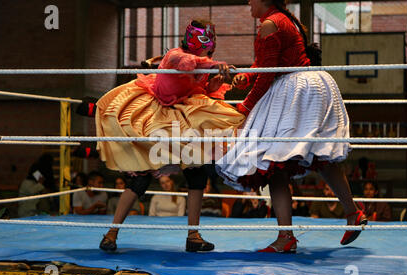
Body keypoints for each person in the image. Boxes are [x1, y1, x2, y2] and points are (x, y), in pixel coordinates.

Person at [216, 0, 366, 253]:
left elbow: (268, 73)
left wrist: (246, 106)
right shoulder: (284, 19)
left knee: (272, 163)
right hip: (310, 85)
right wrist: (246, 76)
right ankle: (353, 212)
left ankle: (286, 236)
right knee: (320, 156)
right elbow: (265, 66)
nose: (248, 2)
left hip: (294, 88)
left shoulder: (270, 23)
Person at [95, 20, 245, 252]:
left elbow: (199, 90)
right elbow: (186, 65)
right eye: (206, 42)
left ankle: (193, 237)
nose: (209, 48)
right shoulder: (176, 56)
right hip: (156, 117)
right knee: (141, 177)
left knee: (197, 173)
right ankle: (111, 234)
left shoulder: (203, 63)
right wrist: (213, 65)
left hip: (184, 118)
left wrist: (215, 83)